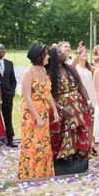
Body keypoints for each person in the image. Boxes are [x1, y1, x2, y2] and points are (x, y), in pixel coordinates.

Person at [48, 46, 93, 175]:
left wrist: (88, 102)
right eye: (59, 52)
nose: (63, 54)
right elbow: (48, 95)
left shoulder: (71, 68)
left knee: (80, 132)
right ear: (53, 56)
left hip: (78, 106)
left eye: (63, 52)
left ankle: (80, 162)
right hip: (62, 108)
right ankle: (64, 165)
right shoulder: (50, 73)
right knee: (64, 134)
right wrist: (60, 109)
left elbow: (81, 86)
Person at [18, 44, 58, 180]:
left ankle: (44, 173)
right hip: (31, 112)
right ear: (39, 57)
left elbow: (48, 93)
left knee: (43, 142)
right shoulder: (29, 72)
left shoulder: (43, 70)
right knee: (33, 142)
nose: (48, 56)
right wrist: (37, 117)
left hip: (43, 110)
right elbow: (27, 97)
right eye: (46, 54)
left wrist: (55, 110)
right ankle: (31, 174)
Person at [0, 44, 18, 147]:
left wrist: (12, 92)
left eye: (3, 49)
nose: (1, 51)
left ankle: (10, 139)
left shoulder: (9, 63)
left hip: (7, 95)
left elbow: (13, 80)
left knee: (8, 117)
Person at [73, 43, 97, 154]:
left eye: (86, 52)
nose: (85, 54)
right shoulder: (75, 68)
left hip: (91, 96)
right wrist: (78, 53)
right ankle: (81, 144)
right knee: (83, 121)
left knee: (91, 121)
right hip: (80, 96)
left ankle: (91, 143)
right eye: (82, 52)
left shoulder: (90, 68)